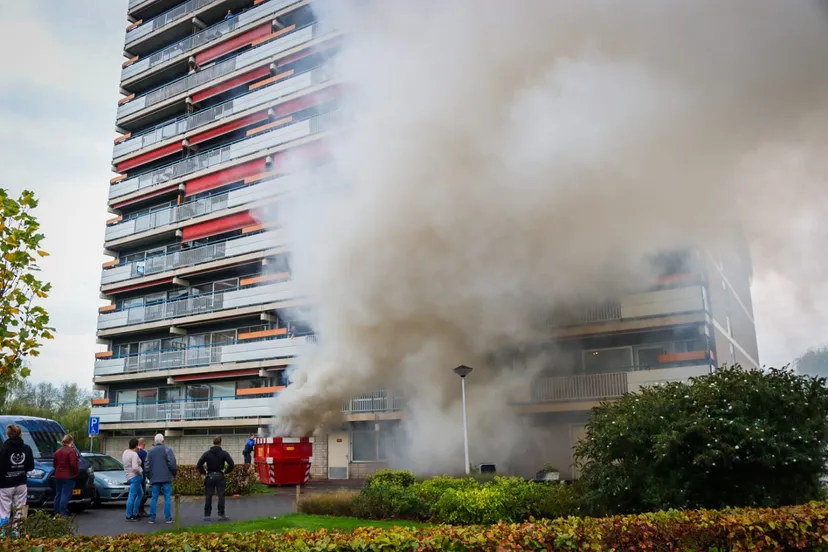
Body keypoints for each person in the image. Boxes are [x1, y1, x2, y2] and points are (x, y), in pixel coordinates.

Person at [0, 425, 34, 528]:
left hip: (5, 484)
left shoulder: (3, 449)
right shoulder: (27, 448)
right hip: (21, 483)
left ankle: (3, 533)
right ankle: (18, 533)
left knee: (4, 510)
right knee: (20, 509)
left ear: (7, 435)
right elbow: (30, 467)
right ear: (20, 434)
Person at [196, 436, 234, 522]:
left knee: (208, 496)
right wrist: (225, 471)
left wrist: (204, 472)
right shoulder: (224, 453)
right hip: (220, 476)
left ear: (213, 443)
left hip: (210, 476)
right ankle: (221, 514)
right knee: (221, 496)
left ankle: (207, 515)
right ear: (221, 443)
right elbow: (231, 464)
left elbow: (199, 464)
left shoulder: (207, 453)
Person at [145, 433, 177, 524]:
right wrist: (173, 474)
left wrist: (149, 476)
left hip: (154, 478)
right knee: (167, 498)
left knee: (154, 498)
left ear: (155, 441)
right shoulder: (168, 450)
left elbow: (146, 466)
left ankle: (152, 518)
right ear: (163, 441)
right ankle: (168, 518)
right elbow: (172, 464)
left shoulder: (150, 451)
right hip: (166, 477)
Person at [52, 435, 78, 517]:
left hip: (58, 475)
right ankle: (63, 513)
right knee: (65, 495)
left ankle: (56, 512)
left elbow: (55, 464)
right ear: (71, 441)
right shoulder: (71, 451)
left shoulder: (57, 451)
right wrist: (76, 473)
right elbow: (73, 464)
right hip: (68, 476)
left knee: (58, 494)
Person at [122, 438, 143, 522]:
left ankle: (135, 513)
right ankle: (130, 515)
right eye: (139, 445)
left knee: (140, 494)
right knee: (132, 496)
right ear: (136, 445)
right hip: (135, 477)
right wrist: (140, 472)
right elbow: (135, 467)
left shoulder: (125, 452)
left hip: (128, 476)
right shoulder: (134, 454)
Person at [136, 438, 148, 516]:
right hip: (141, 474)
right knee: (142, 493)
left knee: (135, 494)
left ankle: (135, 511)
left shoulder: (134, 452)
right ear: (143, 444)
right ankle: (141, 510)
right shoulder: (143, 453)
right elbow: (146, 465)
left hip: (134, 475)